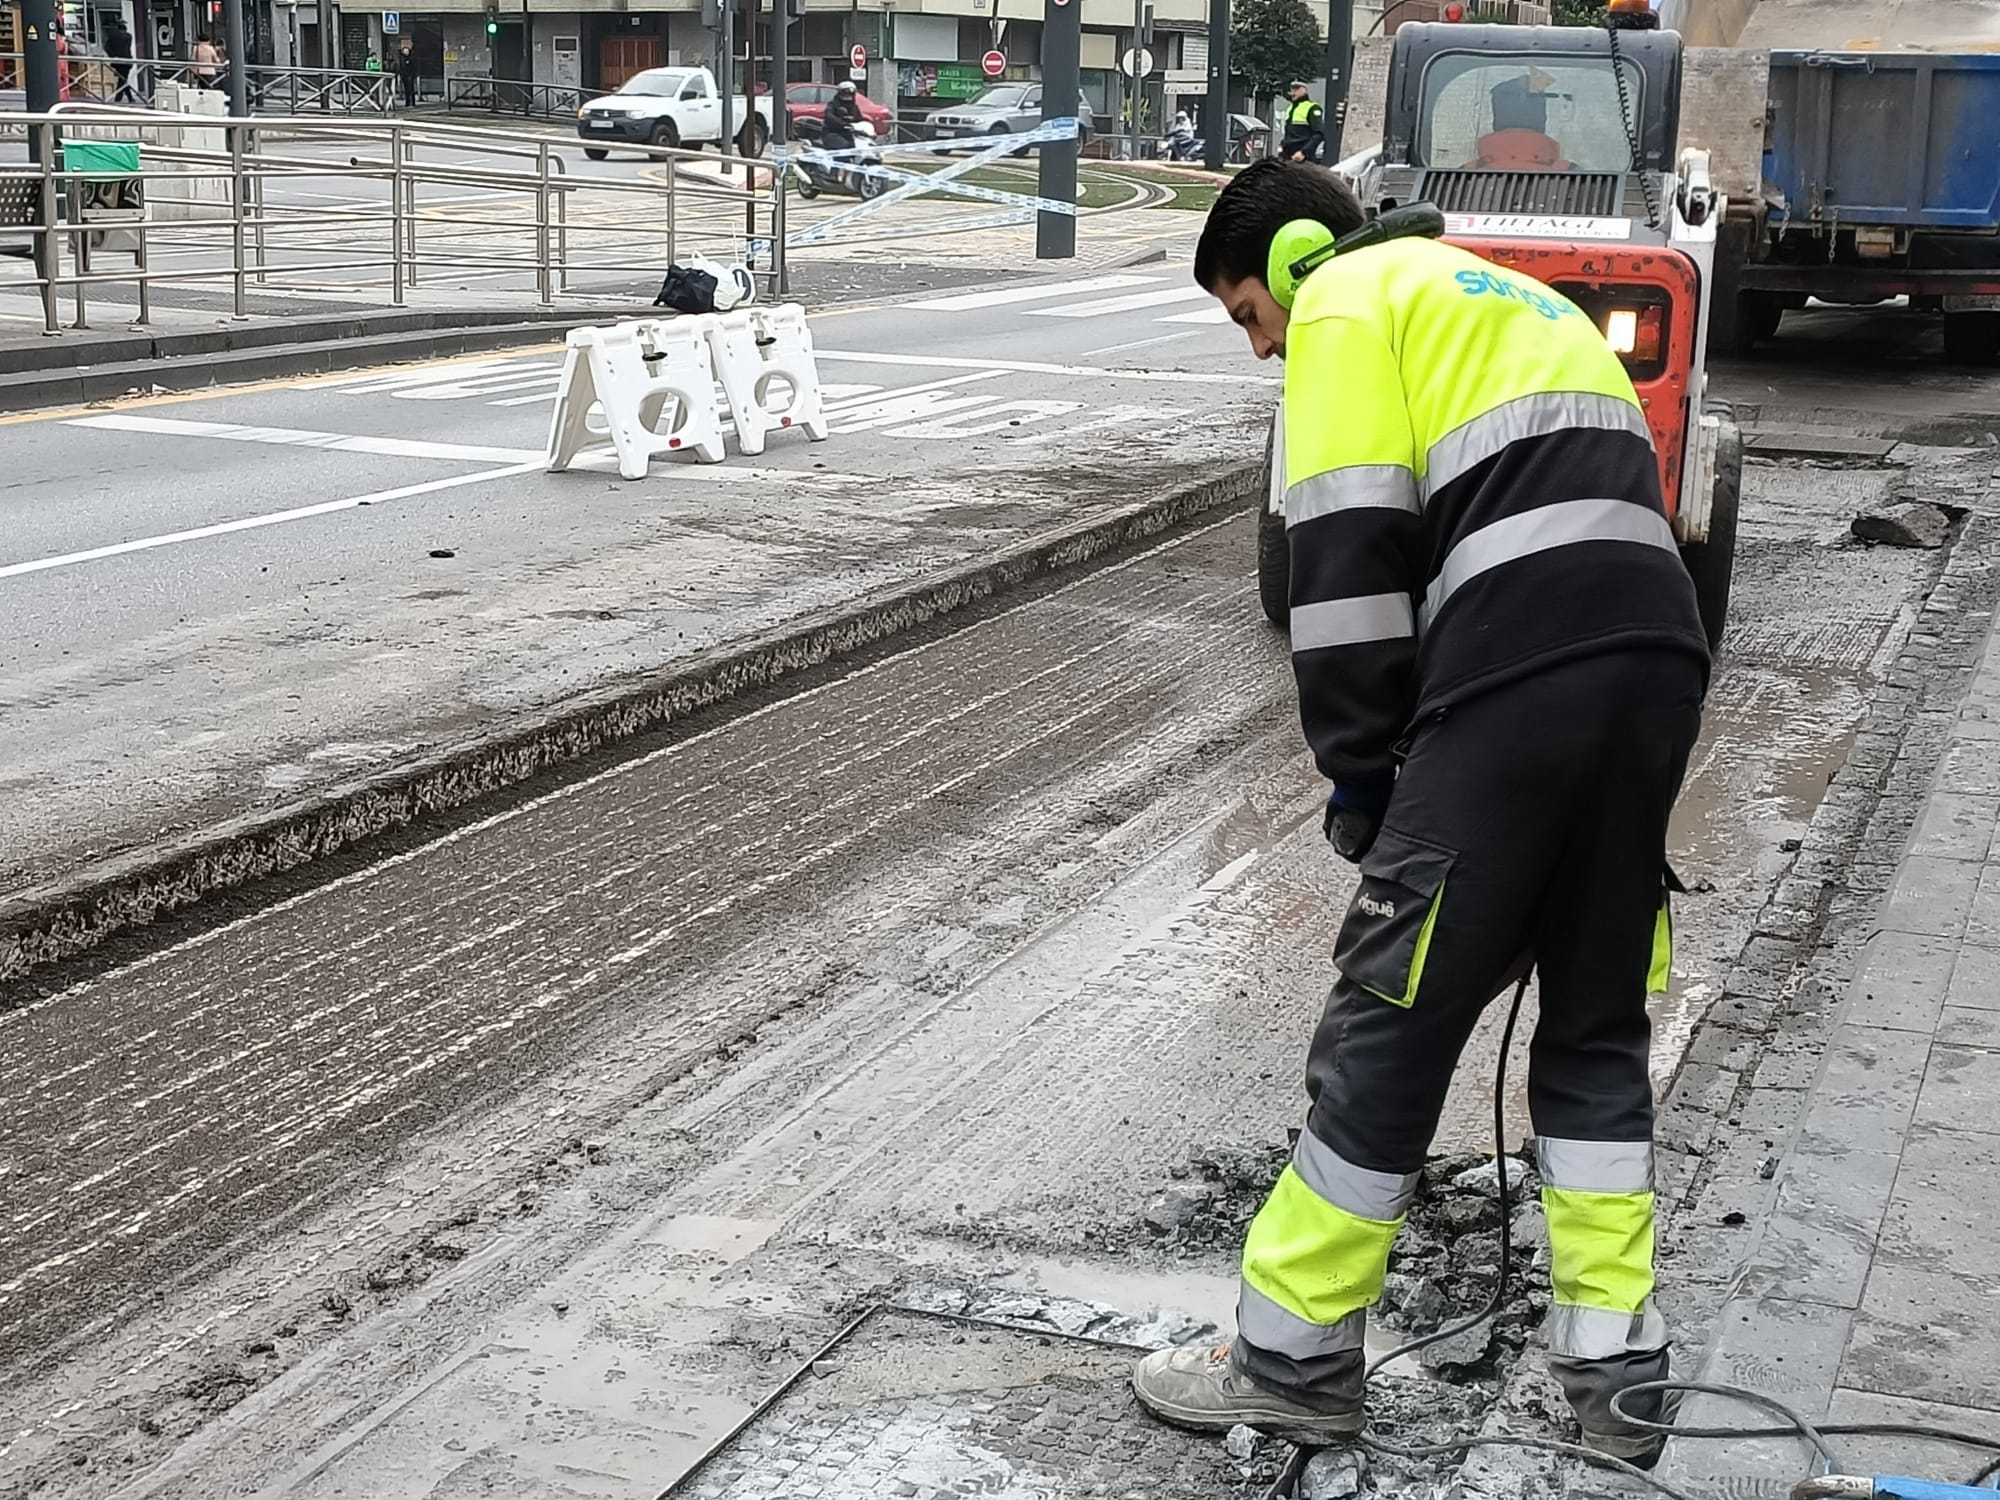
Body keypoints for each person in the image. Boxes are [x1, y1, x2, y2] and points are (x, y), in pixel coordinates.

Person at [1129, 159, 1710, 1465]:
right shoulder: (1508, 303)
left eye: (1246, 316)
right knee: (1595, 1028)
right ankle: (1617, 1381)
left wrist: (1367, 792)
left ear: (1286, 263)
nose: (1265, 345)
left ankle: (1288, 1364)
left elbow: (1340, 576)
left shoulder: (1345, 299)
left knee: (1388, 1024)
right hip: (1654, 667)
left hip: (1516, 670)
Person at [1279, 80, 1323, 163]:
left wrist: (1304, 152)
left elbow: (1318, 134)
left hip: (1303, 158)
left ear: (1305, 90)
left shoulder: (1312, 108)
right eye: (1292, 89)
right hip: (1287, 157)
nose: (1293, 92)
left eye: (1296, 89)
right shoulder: (1290, 108)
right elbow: (1289, 133)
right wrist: (1282, 145)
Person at [105, 17, 140, 105]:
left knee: (122, 79)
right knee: (123, 79)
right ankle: (119, 98)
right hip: (126, 60)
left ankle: (127, 98)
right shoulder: (128, 36)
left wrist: (112, 56)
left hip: (117, 61)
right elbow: (126, 48)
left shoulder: (112, 35)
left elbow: (107, 47)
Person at [397, 38, 420, 109]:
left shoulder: (412, 57)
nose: (405, 52)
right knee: (406, 89)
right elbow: (400, 66)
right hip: (404, 75)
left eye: (406, 51)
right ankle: (407, 102)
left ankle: (412, 102)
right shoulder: (401, 58)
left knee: (411, 89)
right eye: (404, 51)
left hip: (410, 75)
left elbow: (414, 66)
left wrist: (415, 74)